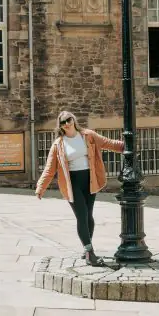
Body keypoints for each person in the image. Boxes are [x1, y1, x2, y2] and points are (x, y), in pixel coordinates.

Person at [35, 111, 124, 266]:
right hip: (72, 183)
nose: (67, 123)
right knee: (81, 216)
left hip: (90, 180)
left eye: (68, 120)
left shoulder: (88, 135)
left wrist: (125, 146)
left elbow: (107, 143)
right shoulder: (58, 144)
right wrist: (41, 187)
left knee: (89, 216)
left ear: (73, 120)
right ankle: (90, 253)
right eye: (63, 122)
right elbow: (50, 169)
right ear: (60, 126)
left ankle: (86, 248)